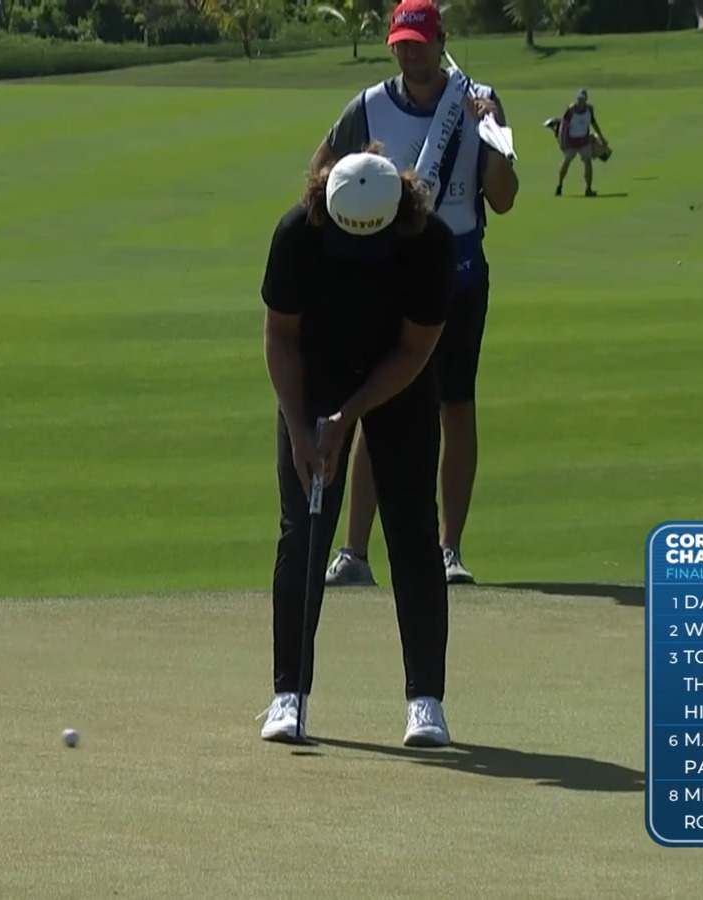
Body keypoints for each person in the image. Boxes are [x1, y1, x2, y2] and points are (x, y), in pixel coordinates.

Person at [311, 0, 517, 589]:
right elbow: (321, 175)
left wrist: (493, 134)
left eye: (419, 42)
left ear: (440, 41)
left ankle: (448, 550)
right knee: (375, 403)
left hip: (460, 273)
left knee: (456, 406)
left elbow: (502, 197)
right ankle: (354, 553)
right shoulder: (369, 106)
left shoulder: (478, 100)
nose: (410, 52)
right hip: (387, 278)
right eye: (401, 42)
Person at [258, 150, 456, 747]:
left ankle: (426, 701)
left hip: (399, 380)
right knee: (304, 531)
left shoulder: (430, 241)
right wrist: (301, 427)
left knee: (413, 531)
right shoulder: (297, 233)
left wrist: (349, 419)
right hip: (314, 376)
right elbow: (280, 338)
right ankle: (287, 695)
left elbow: (415, 351)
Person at [555, 89, 607, 197]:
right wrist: (562, 141)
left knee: (588, 162)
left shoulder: (589, 109)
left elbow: (593, 123)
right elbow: (563, 126)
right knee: (567, 162)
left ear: (585, 99)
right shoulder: (571, 110)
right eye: (579, 99)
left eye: (582, 99)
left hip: (584, 141)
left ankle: (588, 189)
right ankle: (559, 186)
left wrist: (601, 137)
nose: (580, 101)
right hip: (570, 141)